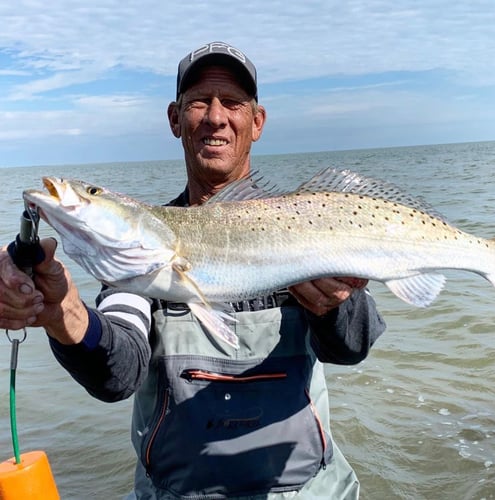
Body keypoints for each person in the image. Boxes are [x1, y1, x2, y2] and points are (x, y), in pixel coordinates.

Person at [0, 41, 386, 499]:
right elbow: (117, 375)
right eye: (199, 102)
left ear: (256, 122)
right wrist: (64, 313)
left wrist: (334, 307)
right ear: (175, 119)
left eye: (234, 103)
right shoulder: (138, 260)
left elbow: (352, 347)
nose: (216, 117)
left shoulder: (303, 225)